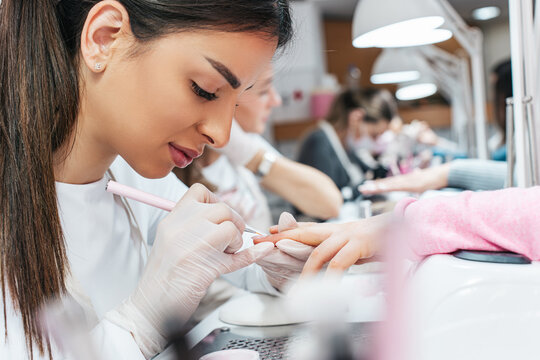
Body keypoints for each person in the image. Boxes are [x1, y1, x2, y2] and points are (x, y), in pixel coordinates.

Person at [0, 1, 297, 359]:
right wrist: (142, 322)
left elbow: (235, 252)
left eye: (234, 105)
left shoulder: (134, 178)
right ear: (104, 38)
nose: (220, 134)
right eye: (204, 90)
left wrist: (275, 268)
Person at [174, 64, 343, 231]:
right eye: (263, 91)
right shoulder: (175, 168)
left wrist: (249, 154)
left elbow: (330, 203)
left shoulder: (247, 144)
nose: (276, 100)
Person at [297, 88, 396, 201]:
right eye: (374, 135)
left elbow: (369, 174)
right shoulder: (318, 142)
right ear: (356, 118)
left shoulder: (346, 146)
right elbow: (325, 200)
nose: (374, 142)